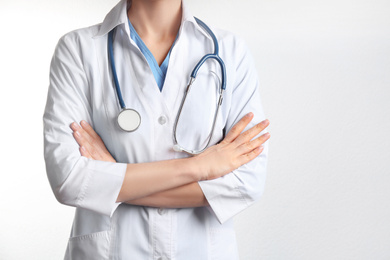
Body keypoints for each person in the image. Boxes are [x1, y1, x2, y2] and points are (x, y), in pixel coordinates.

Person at [43, 0, 270, 259]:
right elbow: (70, 179)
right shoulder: (78, 49)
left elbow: (246, 183)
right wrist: (199, 168)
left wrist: (111, 180)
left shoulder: (231, 51)